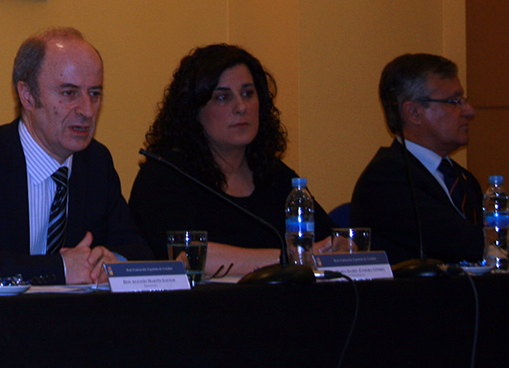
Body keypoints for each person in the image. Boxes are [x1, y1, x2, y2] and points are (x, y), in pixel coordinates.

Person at [0, 28, 152, 285]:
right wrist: (59, 268)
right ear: (28, 96)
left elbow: (138, 251)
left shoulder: (96, 162)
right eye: (69, 93)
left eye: (94, 94)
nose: (87, 110)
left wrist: (113, 262)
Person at [129, 44, 333, 276]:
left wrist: (341, 245)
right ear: (194, 111)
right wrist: (292, 258)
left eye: (248, 93)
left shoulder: (275, 175)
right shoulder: (165, 175)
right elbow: (187, 256)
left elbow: (327, 241)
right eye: (223, 97)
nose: (241, 107)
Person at [349, 53, 483, 265]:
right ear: (413, 112)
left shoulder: (462, 178)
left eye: (464, 101)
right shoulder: (386, 179)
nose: (469, 111)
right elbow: (461, 243)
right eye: (454, 101)